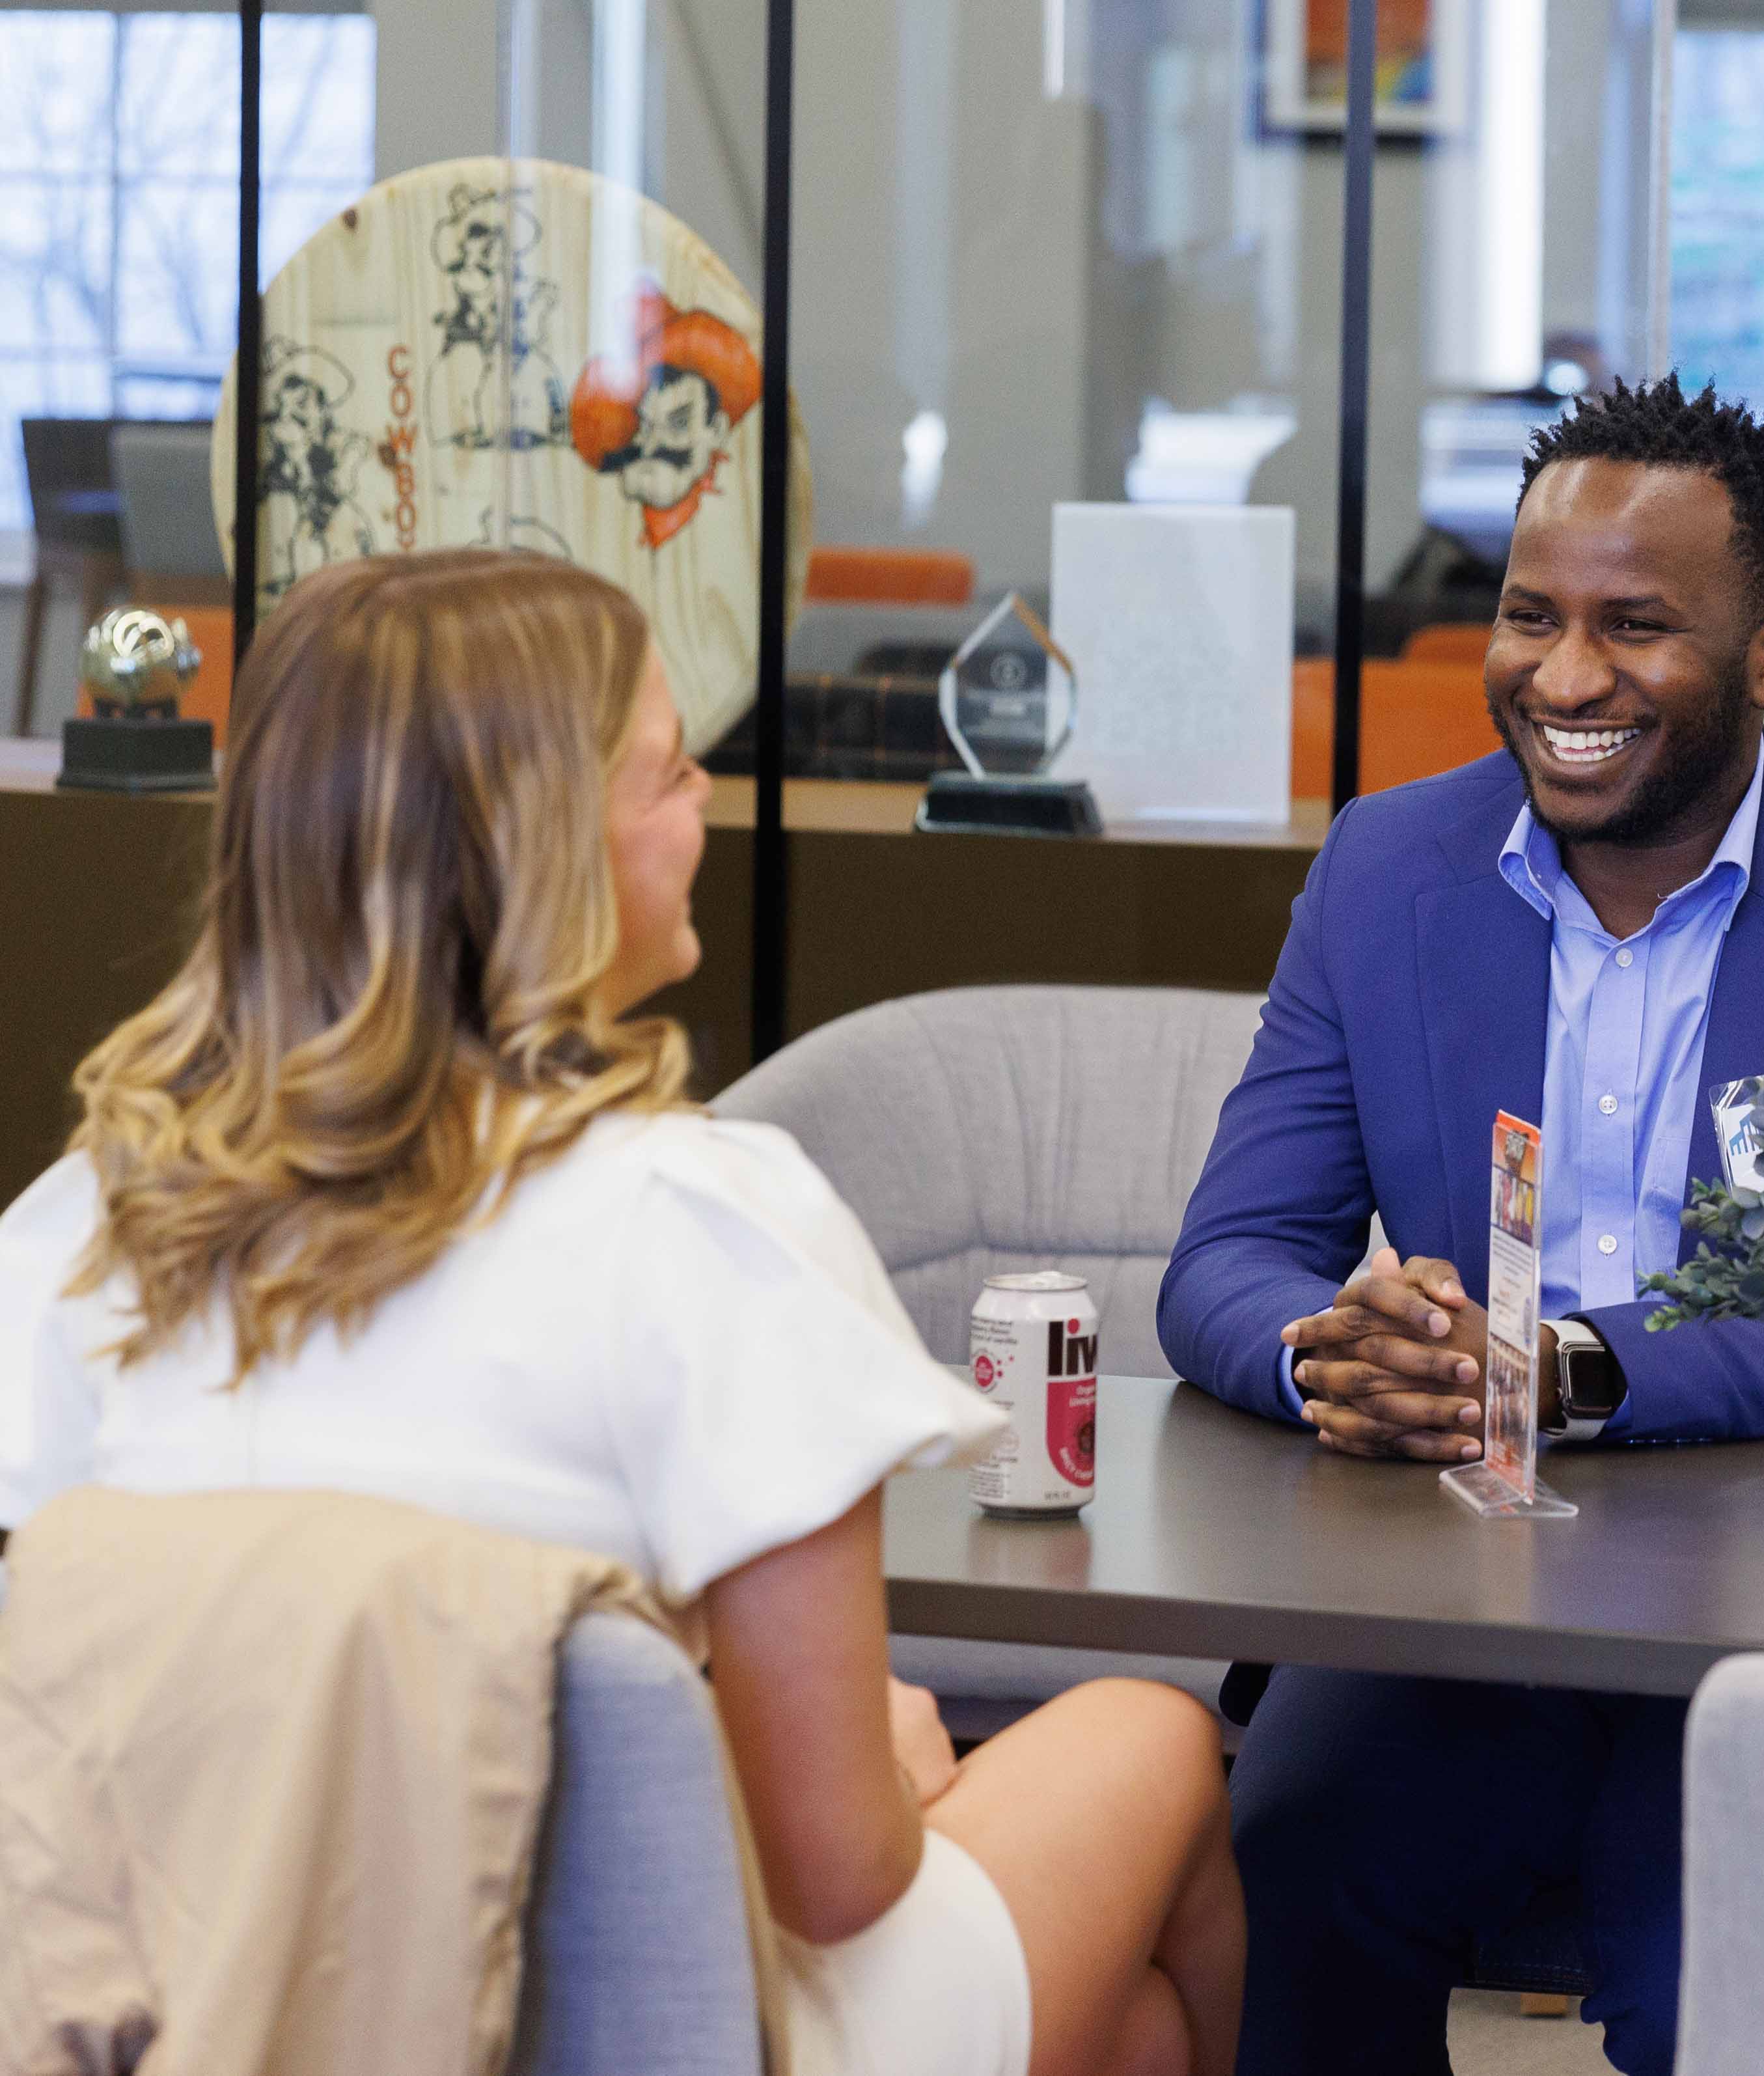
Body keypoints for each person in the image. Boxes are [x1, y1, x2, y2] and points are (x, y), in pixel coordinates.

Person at [0, 550, 1243, 2076]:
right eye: (666, 770)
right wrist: (888, 1749)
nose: (704, 803)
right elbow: (838, 1874)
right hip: (639, 2015)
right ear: (541, 849)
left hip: (217, 1996)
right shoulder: (696, 1222)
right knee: (1157, 1740)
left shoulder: (83, 1227)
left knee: (1129, 2029)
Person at [1159, 375, 1764, 2076]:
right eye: (1529, 615)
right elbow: (1226, 1259)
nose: (1563, 676)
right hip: (1446, 1591)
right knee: (1295, 1856)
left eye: (1636, 625)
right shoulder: (1384, 871)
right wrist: (1336, 1357)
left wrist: (1553, 1369)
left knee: (1710, 1954)